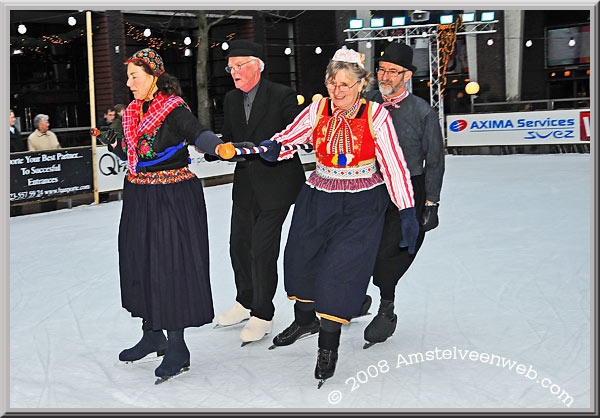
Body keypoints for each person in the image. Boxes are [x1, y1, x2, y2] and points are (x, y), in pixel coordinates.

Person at [258, 47, 419, 386]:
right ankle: (305, 320)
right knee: (301, 260)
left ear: (361, 84)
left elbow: (394, 165)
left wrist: (407, 210)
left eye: (346, 83)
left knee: (340, 271)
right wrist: (273, 146)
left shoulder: (376, 115)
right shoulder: (318, 109)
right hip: (318, 195)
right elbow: (290, 138)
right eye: (333, 82)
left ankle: (327, 346)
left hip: (362, 203)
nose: (338, 89)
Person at [98, 48, 226, 382]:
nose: (129, 83)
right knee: (139, 261)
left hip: (172, 196)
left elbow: (197, 133)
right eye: (128, 77)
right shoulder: (132, 113)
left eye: (134, 76)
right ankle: (153, 333)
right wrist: (110, 136)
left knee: (170, 265)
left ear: (154, 76)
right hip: (139, 194)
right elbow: (130, 147)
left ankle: (178, 345)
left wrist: (218, 146)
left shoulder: (172, 108)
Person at [215, 39, 306, 345]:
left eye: (239, 66)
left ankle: (263, 314)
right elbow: (230, 137)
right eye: (230, 67)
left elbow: (291, 138)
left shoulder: (282, 95)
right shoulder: (229, 99)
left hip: (277, 184)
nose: (233, 72)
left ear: (256, 65)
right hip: (245, 184)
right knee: (238, 245)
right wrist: (221, 148)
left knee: (261, 249)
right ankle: (245, 301)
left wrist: (259, 148)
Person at [363, 42, 445, 348]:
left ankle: (387, 308)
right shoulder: (366, 101)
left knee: (390, 251)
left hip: (409, 190)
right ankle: (356, 295)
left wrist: (431, 203)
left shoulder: (423, 112)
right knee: (355, 242)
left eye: (392, 72)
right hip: (369, 185)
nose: (384, 76)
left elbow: (434, 159)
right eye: (381, 70)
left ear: (407, 76)